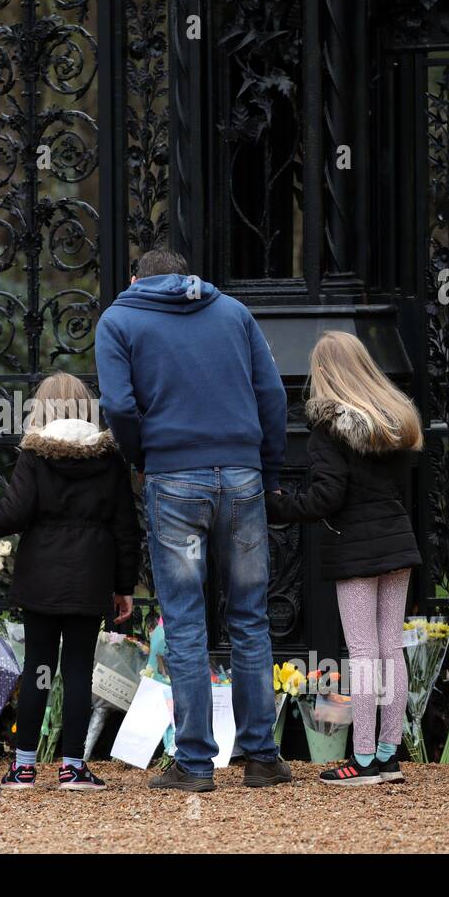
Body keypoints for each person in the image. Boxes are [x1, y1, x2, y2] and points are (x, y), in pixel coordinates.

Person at [95, 247, 290, 791]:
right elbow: (271, 394)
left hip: (174, 477)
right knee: (250, 617)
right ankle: (261, 756)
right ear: (186, 276)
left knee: (184, 621)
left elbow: (119, 404)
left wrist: (142, 457)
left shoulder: (120, 319)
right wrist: (267, 469)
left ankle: (196, 762)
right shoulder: (232, 312)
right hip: (244, 475)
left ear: (136, 278)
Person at [0, 372, 141, 791]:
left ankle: (23, 767)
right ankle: (73, 767)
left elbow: (14, 512)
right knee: (76, 672)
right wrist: (124, 586)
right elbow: (126, 527)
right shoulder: (108, 458)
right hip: (90, 579)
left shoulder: (35, 455)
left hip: (41, 578)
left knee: (37, 667)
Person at [266, 331, 422, 785]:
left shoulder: (328, 429)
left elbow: (326, 497)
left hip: (355, 551)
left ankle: (364, 759)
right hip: (397, 545)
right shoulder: (391, 423)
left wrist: (276, 504)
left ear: (325, 373)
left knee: (363, 651)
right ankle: (390, 755)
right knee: (391, 649)